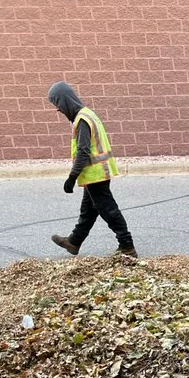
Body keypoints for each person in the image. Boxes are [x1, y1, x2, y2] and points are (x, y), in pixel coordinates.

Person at [47, 81, 136, 257]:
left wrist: (72, 177)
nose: (58, 109)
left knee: (108, 209)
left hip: (96, 173)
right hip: (94, 173)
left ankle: (127, 245)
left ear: (65, 101)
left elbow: (83, 151)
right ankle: (74, 242)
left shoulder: (82, 120)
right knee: (88, 211)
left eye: (57, 104)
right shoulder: (88, 114)